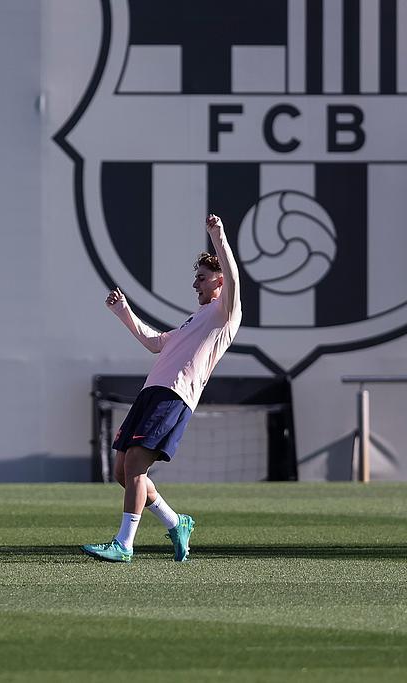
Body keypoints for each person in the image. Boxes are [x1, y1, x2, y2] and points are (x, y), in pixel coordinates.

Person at [82, 214, 241, 563]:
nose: (195, 284)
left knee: (136, 464)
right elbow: (155, 343)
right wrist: (123, 311)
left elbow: (232, 274)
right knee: (123, 472)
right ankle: (175, 522)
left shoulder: (226, 312)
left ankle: (124, 544)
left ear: (219, 281)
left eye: (202, 278)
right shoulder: (194, 320)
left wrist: (218, 235)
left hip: (175, 395)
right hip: (151, 392)